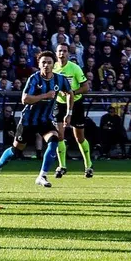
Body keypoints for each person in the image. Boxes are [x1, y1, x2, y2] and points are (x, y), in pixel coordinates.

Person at [0, 52, 71, 189]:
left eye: (49, 62)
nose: (46, 65)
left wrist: (69, 112)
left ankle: (42, 175)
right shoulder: (34, 79)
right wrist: (45, 96)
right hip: (28, 120)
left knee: (54, 139)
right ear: (39, 64)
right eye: (43, 62)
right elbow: (25, 99)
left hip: (45, 119)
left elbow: (70, 93)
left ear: (54, 65)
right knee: (16, 151)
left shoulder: (60, 79)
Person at [53, 41, 94, 179]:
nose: (62, 53)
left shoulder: (75, 68)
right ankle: (62, 166)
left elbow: (86, 87)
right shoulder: (53, 68)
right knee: (59, 135)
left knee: (79, 137)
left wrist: (72, 92)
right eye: (60, 51)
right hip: (59, 104)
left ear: (68, 53)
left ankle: (88, 165)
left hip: (76, 103)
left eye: (64, 51)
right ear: (56, 53)